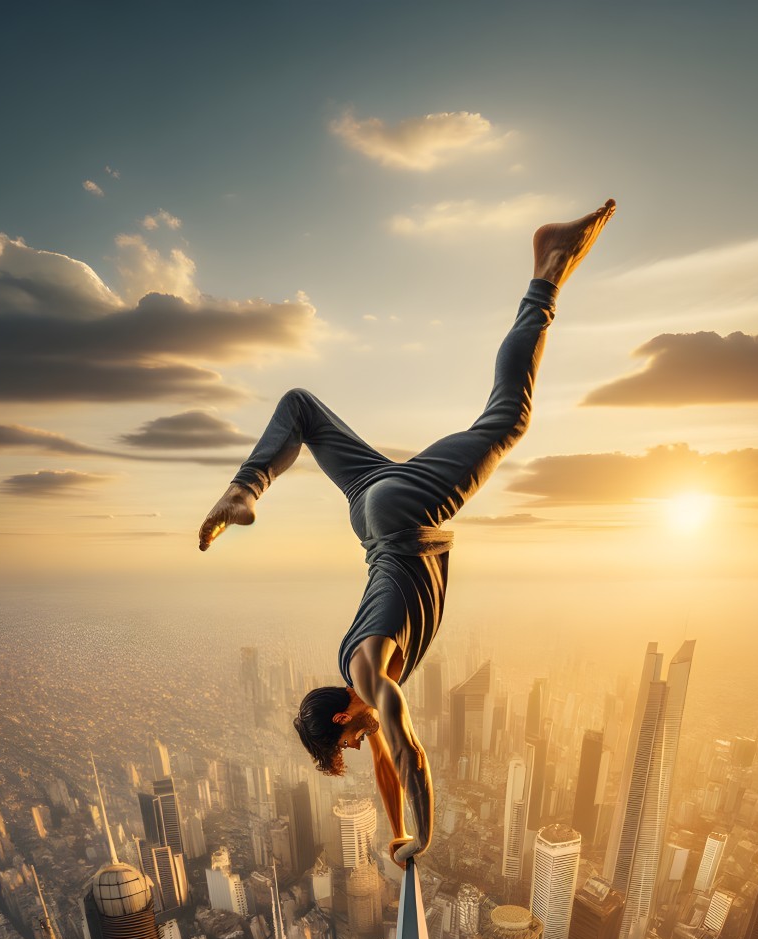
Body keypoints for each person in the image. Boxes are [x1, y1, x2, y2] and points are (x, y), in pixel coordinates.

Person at [199, 201, 616, 867]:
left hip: (404, 517)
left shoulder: (370, 678)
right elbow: (392, 769)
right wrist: (395, 833)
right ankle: (245, 488)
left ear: (343, 717)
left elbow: (411, 757)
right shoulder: (357, 671)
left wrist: (423, 834)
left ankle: (548, 268)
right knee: (301, 407)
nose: (364, 747)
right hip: (370, 510)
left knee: (508, 417)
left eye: (350, 745)